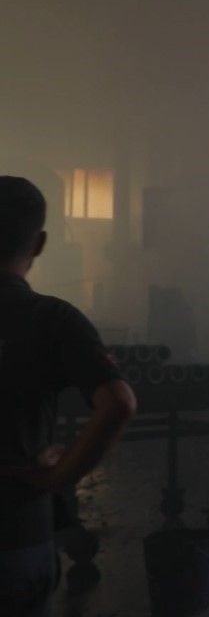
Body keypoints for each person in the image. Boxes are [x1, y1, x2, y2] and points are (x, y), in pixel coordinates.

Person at [0, 176, 137, 617]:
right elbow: (118, 404)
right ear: (38, 243)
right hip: (14, 538)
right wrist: (57, 478)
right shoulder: (52, 319)